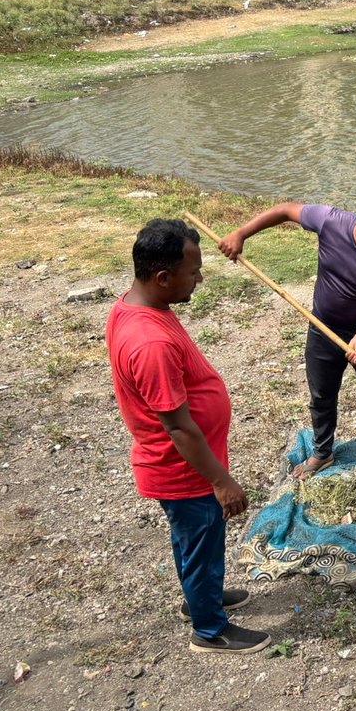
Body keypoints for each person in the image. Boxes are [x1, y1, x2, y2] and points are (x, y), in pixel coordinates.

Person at [106, 219, 270, 655]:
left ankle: (202, 599)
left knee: (194, 542)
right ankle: (210, 629)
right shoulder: (149, 342)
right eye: (193, 272)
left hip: (186, 464)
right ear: (162, 278)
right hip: (183, 470)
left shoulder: (141, 306)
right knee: (200, 542)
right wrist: (221, 480)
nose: (199, 279)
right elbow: (178, 426)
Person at [219, 200, 356, 479]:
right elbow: (284, 210)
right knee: (322, 395)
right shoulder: (331, 221)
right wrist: (240, 234)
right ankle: (322, 453)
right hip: (324, 329)